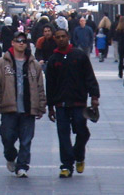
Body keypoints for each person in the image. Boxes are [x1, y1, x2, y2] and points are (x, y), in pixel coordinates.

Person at [0, 31, 46, 178]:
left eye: (23, 41)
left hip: (28, 108)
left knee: (26, 140)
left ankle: (22, 166)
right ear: (12, 43)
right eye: (18, 40)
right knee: (7, 136)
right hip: (9, 107)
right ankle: (10, 155)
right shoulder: (1, 63)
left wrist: (41, 106)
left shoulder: (34, 65)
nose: (21, 43)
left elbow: (40, 87)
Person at [45, 28, 100, 178]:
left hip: (78, 102)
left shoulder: (79, 55)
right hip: (61, 104)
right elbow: (49, 85)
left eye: (63, 36)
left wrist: (94, 96)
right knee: (63, 134)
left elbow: (89, 76)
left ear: (68, 37)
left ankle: (79, 154)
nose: (61, 39)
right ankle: (66, 165)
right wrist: (50, 106)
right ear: (55, 39)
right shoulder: (53, 59)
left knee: (81, 131)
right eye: (58, 37)